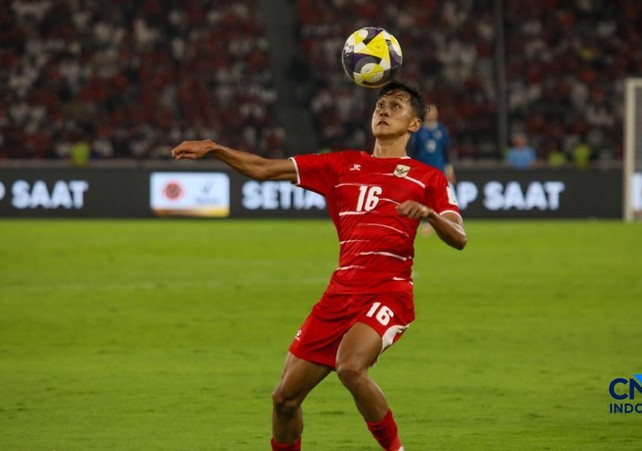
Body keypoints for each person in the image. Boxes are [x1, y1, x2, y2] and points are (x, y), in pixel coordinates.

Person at [171, 82, 467, 451]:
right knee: (284, 400)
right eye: (380, 103)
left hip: (388, 292)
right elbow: (264, 169)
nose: (384, 110)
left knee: (350, 367)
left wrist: (429, 214)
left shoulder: (429, 178)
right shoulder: (341, 164)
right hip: (338, 296)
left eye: (396, 105)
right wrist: (215, 149)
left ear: (414, 125)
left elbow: (459, 237)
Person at [406, 103, 455, 235]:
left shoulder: (443, 131)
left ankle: (435, 222)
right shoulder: (418, 131)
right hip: (422, 170)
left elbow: (446, 152)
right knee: (420, 195)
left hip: (438, 169)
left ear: (437, 114)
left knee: (436, 197)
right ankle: (421, 222)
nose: (430, 113)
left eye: (433, 111)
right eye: (428, 111)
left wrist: (449, 169)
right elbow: (413, 151)